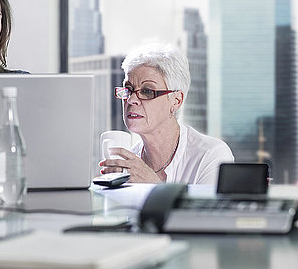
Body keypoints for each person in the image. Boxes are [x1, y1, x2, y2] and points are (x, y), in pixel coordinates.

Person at [99, 42, 234, 184]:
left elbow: (205, 207)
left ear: (176, 101)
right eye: (128, 89)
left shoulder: (212, 155)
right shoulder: (129, 163)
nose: (132, 99)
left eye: (147, 91)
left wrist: (153, 185)